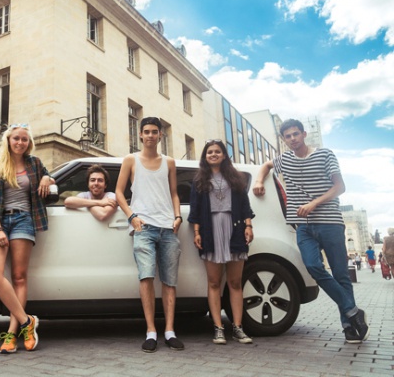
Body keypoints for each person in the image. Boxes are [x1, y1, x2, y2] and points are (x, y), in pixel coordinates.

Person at [252, 118, 369, 344]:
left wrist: (314, 203)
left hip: (330, 223)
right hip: (303, 226)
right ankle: (353, 311)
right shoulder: (284, 159)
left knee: (341, 274)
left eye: (296, 134)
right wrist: (258, 180)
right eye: (288, 136)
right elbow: (267, 166)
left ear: (304, 134)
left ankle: (349, 327)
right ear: (284, 140)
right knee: (313, 266)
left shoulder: (325, 155)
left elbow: (339, 186)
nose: (293, 139)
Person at [0, 124, 54, 354]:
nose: (20, 142)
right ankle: (27, 322)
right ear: (8, 140)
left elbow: (49, 179)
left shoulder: (35, 164)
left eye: (24, 139)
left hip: (24, 220)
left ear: (28, 143)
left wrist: (47, 179)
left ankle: (11, 334)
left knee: (19, 277)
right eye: (16, 139)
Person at [115, 117, 184, 353]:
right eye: (147, 132)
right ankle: (151, 331)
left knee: (169, 281)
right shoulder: (130, 160)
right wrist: (131, 216)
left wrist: (177, 216)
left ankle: (170, 331)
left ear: (160, 136)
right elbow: (118, 192)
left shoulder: (170, 162)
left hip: (168, 227)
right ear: (140, 135)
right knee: (146, 278)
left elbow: (174, 193)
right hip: (143, 228)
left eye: (155, 132)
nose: (151, 135)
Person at [188, 140, 254, 345]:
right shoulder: (199, 179)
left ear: (224, 155)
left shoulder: (236, 178)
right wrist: (197, 232)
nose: (214, 154)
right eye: (210, 152)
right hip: (210, 229)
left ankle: (238, 327)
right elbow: (195, 209)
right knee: (214, 282)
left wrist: (248, 226)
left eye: (218, 151)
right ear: (205, 156)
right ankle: (218, 328)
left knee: (235, 282)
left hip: (234, 229)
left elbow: (244, 205)